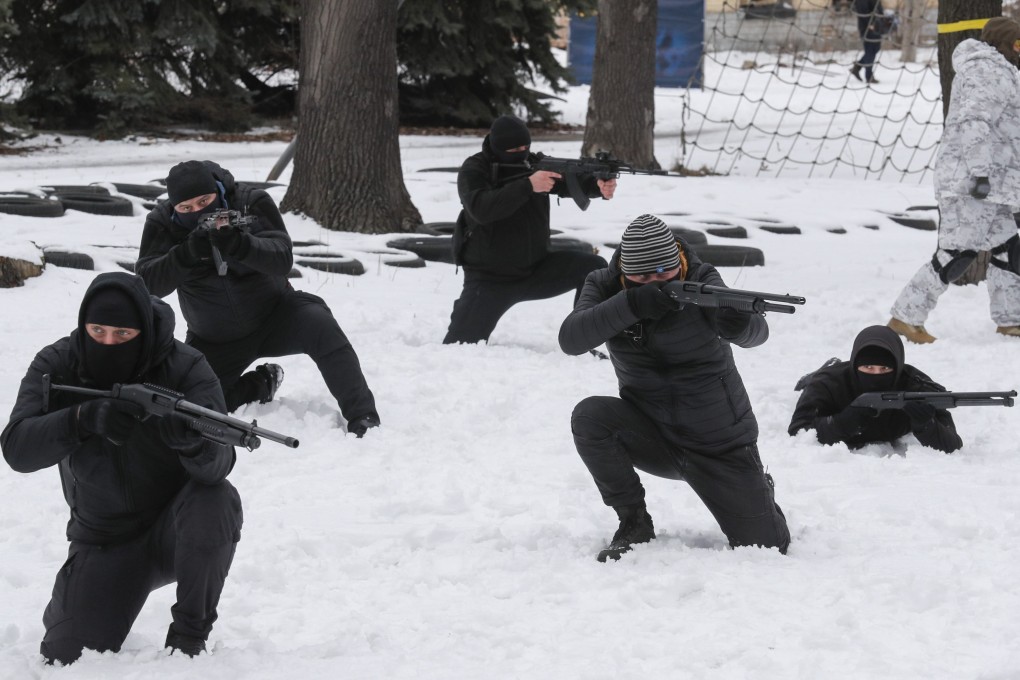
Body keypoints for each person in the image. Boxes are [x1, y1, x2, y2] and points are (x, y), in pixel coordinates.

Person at [0, 272, 242, 664]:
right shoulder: (57, 364)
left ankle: (189, 639)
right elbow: (17, 449)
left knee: (216, 500)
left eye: (123, 334)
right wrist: (80, 419)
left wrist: (195, 444)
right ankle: (74, 599)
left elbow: (220, 464)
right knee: (66, 655)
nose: (109, 343)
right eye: (97, 331)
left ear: (143, 330)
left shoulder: (185, 366)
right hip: (103, 541)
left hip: (174, 530)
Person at [558, 214, 790, 561]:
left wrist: (739, 324)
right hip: (652, 435)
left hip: (719, 445)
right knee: (590, 417)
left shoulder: (701, 278)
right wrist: (632, 304)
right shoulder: (604, 284)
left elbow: (757, 334)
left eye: (664, 272)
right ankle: (634, 520)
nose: (655, 282)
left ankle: (760, 489)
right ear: (625, 273)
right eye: (642, 277)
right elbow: (571, 339)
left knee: (768, 548)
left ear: (677, 262)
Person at [136, 160, 380, 437]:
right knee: (190, 407)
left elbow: (282, 258)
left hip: (277, 316)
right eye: (186, 208)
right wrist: (185, 254)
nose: (198, 211)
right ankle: (260, 385)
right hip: (214, 338)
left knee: (321, 325)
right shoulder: (161, 223)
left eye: (205, 201)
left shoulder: (250, 202)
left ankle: (363, 416)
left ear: (218, 191)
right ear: (174, 208)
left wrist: (241, 245)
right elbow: (148, 283)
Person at [888, 18, 1020, 343]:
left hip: (995, 187)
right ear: (1003, 44)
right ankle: (905, 317)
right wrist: (979, 173)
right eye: (1018, 45)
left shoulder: (1002, 71)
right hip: (972, 185)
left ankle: (1011, 319)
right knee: (957, 253)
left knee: (1008, 249)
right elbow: (973, 122)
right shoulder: (986, 70)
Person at [443, 114, 617, 344]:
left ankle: (585, 336)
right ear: (498, 147)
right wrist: (528, 185)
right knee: (458, 345)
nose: (522, 152)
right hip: (490, 279)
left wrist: (597, 185)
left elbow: (569, 182)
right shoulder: (475, 169)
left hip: (536, 269)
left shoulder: (534, 164)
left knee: (594, 269)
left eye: (526, 147)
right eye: (515, 149)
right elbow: (480, 209)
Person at [788, 325, 963, 453]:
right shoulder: (829, 383)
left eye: (885, 369)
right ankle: (827, 367)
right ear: (856, 366)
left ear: (897, 367)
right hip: (828, 376)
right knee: (820, 377)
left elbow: (953, 446)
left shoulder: (916, 387)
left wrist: (926, 426)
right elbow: (798, 432)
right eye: (868, 368)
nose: (876, 375)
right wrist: (841, 423)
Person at [850, 0, 885, 84]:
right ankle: (869, 76)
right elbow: (862, 11)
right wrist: (870, 24)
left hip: (877, 26)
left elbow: (879, 9)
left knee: (876, 48)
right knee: (870, 50)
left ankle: (857, 67)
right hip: (867, 28)